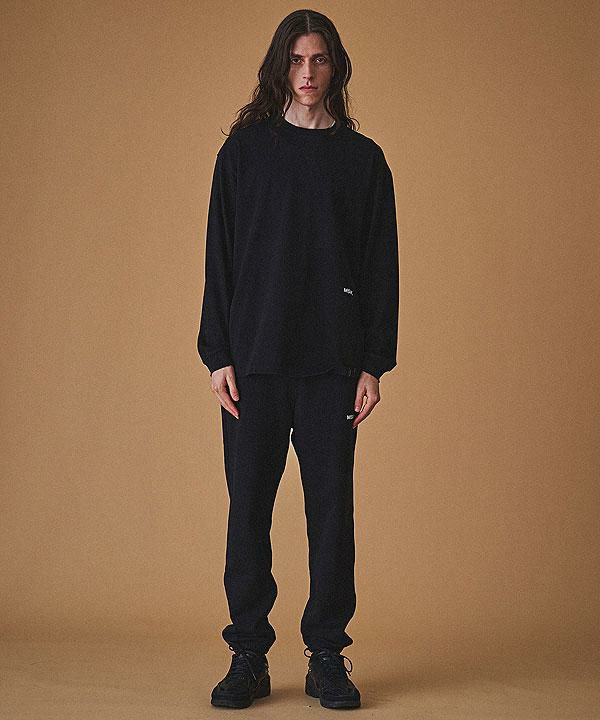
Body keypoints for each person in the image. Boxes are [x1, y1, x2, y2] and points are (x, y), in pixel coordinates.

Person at [197, 9, 399, 711]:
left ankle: (327, 656)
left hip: (331, 367)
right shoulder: (245, 152)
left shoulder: (362, 161)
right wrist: (217, 353)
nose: (307, 73)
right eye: (295, 60)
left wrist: (373, 363)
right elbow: (220, 255)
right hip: (253, 363)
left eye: (318, 59)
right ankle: (248, 656)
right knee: (248, 512)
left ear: (335, 66)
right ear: (278, 66)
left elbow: (380, 265)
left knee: (331, 516)